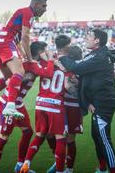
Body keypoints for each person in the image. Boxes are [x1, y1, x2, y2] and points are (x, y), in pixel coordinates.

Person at [0, 0, 47, 118]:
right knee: (19, 72)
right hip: (6, 42)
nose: (45, 9)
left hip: (0, 43)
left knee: (8, 79)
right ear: (35, 5)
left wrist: (23, 55)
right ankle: (10, 106)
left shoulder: (24, 13)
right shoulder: (28, 13)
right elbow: (25, 37)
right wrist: (30, 59)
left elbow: (18, 40)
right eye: (43, 6)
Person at [0, 41, 54, 173]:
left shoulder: (35, 64)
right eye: (45, 50)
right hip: (8, 102)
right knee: (4, 137)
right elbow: (4, 80)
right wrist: (51, 58)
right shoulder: (29, 65)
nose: (46, 52)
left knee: (28, 132)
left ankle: (19, 165)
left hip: (19, 103)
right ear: (40, 53)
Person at [59, 29, 115, 173]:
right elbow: (89, 80)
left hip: (103, 104)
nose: (86, 38)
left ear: (97, 40)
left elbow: (77, 67)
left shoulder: (99, 56)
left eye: (89, 36)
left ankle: (113, 171)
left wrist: (61, 57)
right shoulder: (96, 55)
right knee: (97, 136)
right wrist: (88, 102)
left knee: (104, 139)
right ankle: (102, 169)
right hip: (98, 102)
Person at [20, 35, 72, 173]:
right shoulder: (66, 63)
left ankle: (26, 163)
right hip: (56, 105)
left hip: (41, 104)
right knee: (60, 139)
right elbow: (67, 85)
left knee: (39, 135)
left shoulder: (41, 63)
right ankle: (60, 170)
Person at [46, 45, 84, 173]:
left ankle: (69, 168)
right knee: (51, 133)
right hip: (61, 105)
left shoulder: (76, 67)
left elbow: (69, 85)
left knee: (69, 138)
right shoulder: (68, 64)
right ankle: (60, 160)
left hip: (72, 106)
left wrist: (80, 95)